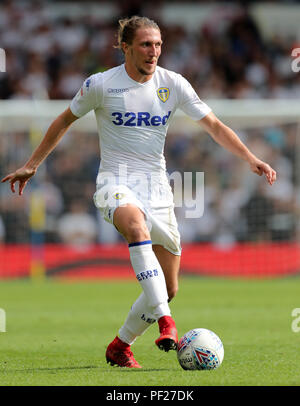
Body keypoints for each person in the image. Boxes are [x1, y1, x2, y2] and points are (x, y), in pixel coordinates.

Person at [1, 16, 276, 369]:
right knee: (136, 228)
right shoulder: (101, 84)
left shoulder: (172, 84)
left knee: (169, 287)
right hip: (114, 182)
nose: (154, 51)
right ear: (125, 47)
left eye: (158, 44)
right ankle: (167, 321)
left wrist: (251, 158)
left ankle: (120, 345)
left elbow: (214, 126)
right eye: (146, 44)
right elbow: (63, 120)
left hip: (158, 189)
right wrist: (33, 163)